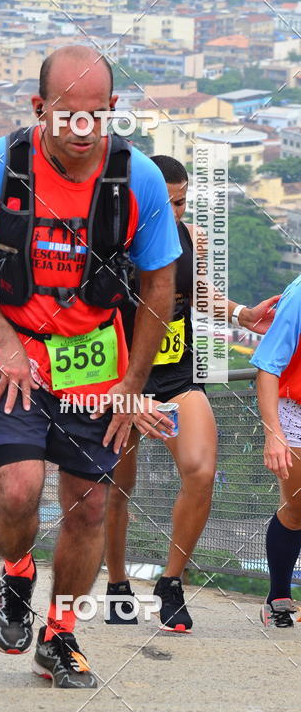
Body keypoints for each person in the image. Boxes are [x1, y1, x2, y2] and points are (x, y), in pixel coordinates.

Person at [0, 45, 182, 689]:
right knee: (17, 490)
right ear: (40, 109)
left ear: (112, 110)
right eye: (68, 114)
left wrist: (133, 384)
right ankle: (17, 570)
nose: (82, 129)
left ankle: (61, 633)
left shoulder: (140, 180)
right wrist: (3, 342)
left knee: (91, 507)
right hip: (11, 356)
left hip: (96, 366)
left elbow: (160, 283)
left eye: (95, 114)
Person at [104, 155, 278, 632]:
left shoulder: (187, 237)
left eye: (181, 202)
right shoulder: (108, 243)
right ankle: (117, 585)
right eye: (166, 203)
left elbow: (195, 294)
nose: (175, 213)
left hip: (177, 376)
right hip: (118, 382)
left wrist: (241, 313)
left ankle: (170, 583)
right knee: (117, 486)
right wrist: (126, 392)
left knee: (201, 472)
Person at [251, 274, 301, 627]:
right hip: (295, 410)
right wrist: (274, 435)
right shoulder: (299, 294)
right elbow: (268, 367)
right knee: (297, 507)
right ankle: (278, 596)